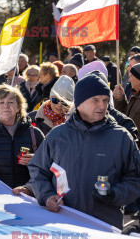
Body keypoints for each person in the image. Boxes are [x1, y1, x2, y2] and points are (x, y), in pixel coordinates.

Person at [28, 73, 140, 229]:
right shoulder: (57, 136)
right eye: (95, 100)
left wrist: (115, 194)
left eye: (105, 100)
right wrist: (46, 195)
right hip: (62, 223)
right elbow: (37, 169)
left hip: (104, 226)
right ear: (79, 103)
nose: (102, 105)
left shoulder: (121, 137)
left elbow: (135, 178)